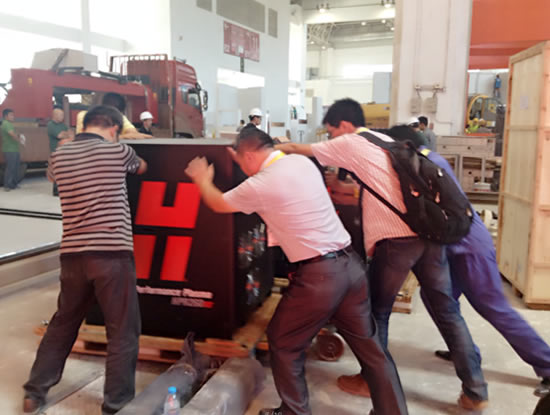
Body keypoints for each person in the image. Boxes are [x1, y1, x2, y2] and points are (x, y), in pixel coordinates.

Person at [276, 98, 489, 411]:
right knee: (447, 311)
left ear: (344, 125)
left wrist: (276, 145)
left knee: (376, 312)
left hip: (397, 242)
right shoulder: (386, 141)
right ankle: (475, 390)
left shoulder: (351, 142)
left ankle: (371, 383)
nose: (331, 139)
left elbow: (300, 149)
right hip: (429, 237)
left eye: (331, 131)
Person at [184, 127, 408, 415]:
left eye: (239, 161)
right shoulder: (301, 163)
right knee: (371, 349)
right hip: (351, 268)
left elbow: (218, 202)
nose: (242, 169)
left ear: (249, 154)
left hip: (320, 276)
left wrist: (202, 179)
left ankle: (293, 412)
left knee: (284, 341)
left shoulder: (262, 183)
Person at [330, 123, 550, 402]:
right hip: (444, 246)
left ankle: (546, 364)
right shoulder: (421, 161)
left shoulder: (426, 163)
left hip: (467, 246)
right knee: (441, 304)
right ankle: (468, 359)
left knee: (491, 306)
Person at [22, 105, 147, 415]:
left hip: (73, 256)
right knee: (122, 330)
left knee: (63, 324)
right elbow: (142, 167)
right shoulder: (118, 151)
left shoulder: (59, 156)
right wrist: (128, 139)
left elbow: (52, 175)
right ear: (114, 128)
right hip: (112, 254)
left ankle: (34, 392)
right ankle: (116, 404)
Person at [76, 92, 152, 139]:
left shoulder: (121, 117)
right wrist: (116, 137)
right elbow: (91, 139)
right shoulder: (84, 115)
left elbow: (134, 134)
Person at [47, 106, 73, 196]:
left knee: (64, 171)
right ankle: (56, 191)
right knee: (56, 171)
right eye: (61, 115)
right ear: (55, 115)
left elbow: (71, 135)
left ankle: (64, 189)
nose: (63, 117)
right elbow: (59, 135)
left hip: (65, 150)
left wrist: (65, 134)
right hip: (56, 151)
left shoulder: (63, 125)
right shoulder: (51, 125)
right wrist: (66, 134)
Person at [1, 108, 23, 191]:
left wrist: (18, 136)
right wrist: (19, 139)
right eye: (11, 115)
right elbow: (11, 134)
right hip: (10, 149)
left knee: (15, 168)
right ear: (5, 116)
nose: (13, 117)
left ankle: (13, 184)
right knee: (11, 168)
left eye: (13, 115)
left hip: (14, 149)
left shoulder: (9, 124)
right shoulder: (6, 123)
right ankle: (7, 185)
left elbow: (13, 134)